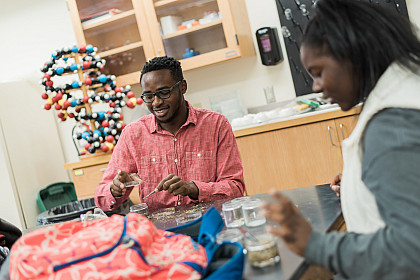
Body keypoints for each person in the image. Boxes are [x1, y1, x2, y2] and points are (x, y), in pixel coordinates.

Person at [263, 0, 420, 279]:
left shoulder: (391, 125)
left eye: (319, 72)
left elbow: (411, 251)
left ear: (353, 52)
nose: (316, 88)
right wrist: (360, 180)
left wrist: (315, 245)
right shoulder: (407, 85)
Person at [95, 56, 245, 211]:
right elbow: (101, 199)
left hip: (211, 221)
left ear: (183, 87)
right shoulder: (133, 134)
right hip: (162, 231)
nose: (156, 102)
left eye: (164, 92)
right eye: (148, 96)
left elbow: (235, 189)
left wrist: (193, 189)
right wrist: (115, 189)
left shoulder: (216, 125)